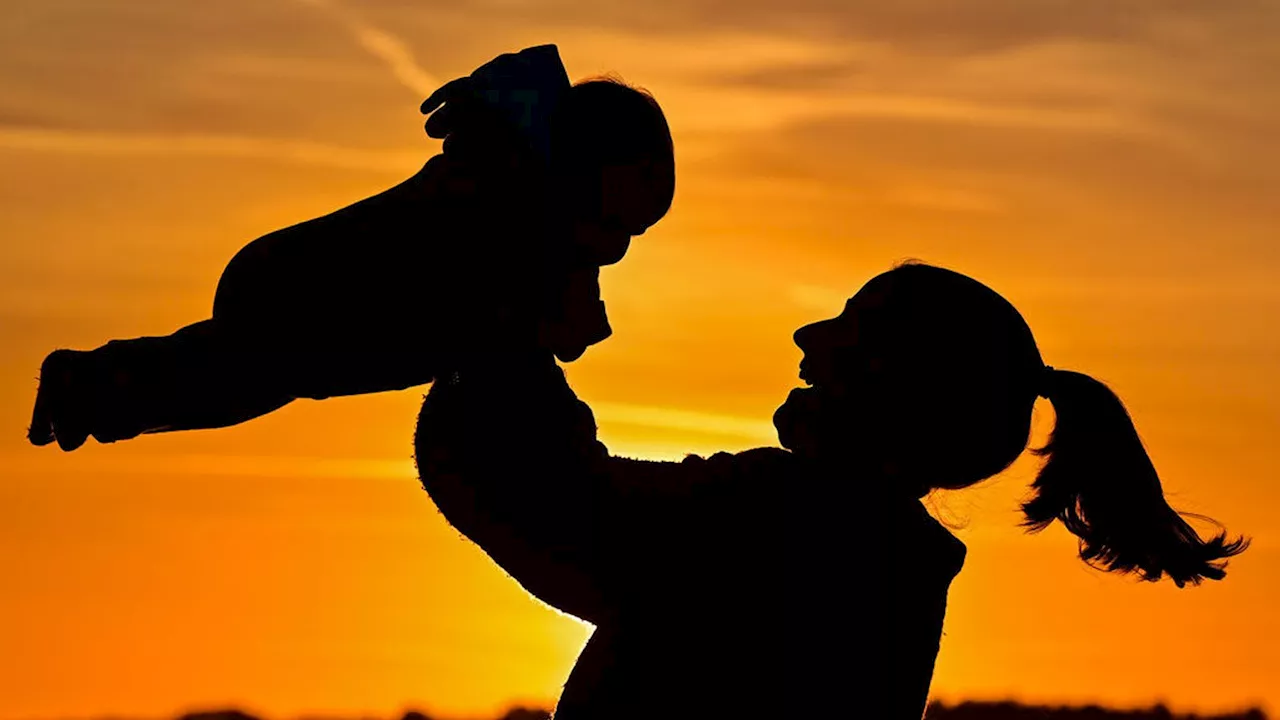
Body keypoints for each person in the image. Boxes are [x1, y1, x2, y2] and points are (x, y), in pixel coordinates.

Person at [414, 262, 1248, 719]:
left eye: (850, 324)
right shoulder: (879, 552)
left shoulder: (786, 520)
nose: (808, 336)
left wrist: (505, 334)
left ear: (895, 384)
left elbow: (546, 502)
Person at [28, 45, 675, 451]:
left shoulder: (535, 225)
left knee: (232, 387)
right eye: (618, 222)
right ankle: (84, 385)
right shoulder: (496, 198)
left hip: (317, 309)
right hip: (302, 290)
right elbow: (529, 320)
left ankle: (90, 393)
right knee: (229, 380)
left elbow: (543, 324)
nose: (615, 250)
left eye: (633, 236)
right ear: (581, 173)